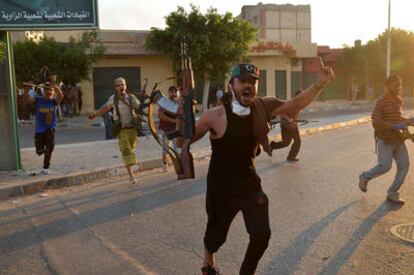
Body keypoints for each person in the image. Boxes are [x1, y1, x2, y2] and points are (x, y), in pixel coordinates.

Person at [191, 62, 334, 275]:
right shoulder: (215, 116)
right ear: (232, 85)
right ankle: (208, 261)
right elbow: (186, 139)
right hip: (221, 188)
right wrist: (179, 129)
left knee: (261, 235)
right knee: (216, 237)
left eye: (253, 82)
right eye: (243, 82)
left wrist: (319, 84)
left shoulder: (263, 107)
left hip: (249, 184)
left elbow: (295, 103)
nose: (248, 86)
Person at [358, 74, 414, 205]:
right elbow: (375, 120)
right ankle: (365, 176)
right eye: (396, 85)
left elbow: (398, 118)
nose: (399, 87)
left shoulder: (398, 100)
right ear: (387, 86)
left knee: (405, 166)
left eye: (400, 85)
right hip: (385, 139)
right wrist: (393, 126)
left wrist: (409, 122)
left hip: (398, 140)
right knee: (385, 166)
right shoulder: (381, 101)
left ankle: (393, 193)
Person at [89, 77, 141, 184]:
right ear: (115, 88)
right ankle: (131, 175)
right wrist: (95, 114)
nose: (121, 87)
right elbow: (105, 108)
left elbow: (139, 106)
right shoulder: (113, 99)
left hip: (132, 129)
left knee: (131, 149)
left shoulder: (131, 98)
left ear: (126, 86)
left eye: (122, 84)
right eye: (118, 85)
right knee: (126, 150)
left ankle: (130, 167)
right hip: (121, 129)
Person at [27, 76, 64, 175]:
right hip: (39, 129)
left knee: (49, 147)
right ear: (44, 92)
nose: (48, 92)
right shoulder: (39, 99)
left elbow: (61, 95)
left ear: (53, 92)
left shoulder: (54, 101)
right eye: (47, 90)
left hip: (50, 128)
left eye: (50, 91)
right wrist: (32, 90)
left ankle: (46, 167)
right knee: (39, 151)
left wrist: (54, 85)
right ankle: (42, 150)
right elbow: (29, 101)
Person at [270, 89, 303, 162]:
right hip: (285, 125)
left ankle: (291, 157)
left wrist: (295, 121)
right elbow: (281, 113)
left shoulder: (301, 104)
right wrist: (289, 119)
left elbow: (296, 113)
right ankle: (273, 145)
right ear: (297, 96)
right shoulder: (290, 103)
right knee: (286, 143)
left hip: (293, 125)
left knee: (298, 141)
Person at [158, 85, 179, 171]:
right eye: (172, 92)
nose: (174, 93)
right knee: (166, 148)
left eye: (175, 92)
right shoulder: (164, 102)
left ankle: (179, 165)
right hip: (166, 129)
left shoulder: (179, 102)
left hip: (177, 129)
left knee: (177, 148)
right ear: (169, 93)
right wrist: (172, 121)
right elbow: (160, 115)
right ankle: (164, 163)